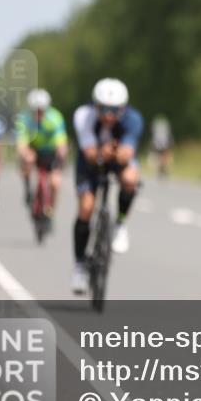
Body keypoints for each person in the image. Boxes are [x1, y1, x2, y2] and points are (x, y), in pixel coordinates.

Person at [71, 78, 143, 294]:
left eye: (115, 110)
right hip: (90, 163)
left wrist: (120, 154)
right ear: (95, 105)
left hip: (117, 161)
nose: (109, 115)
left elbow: (127, 152)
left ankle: (120, 224)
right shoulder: (83, 116)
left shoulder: (133, 119)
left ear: (123, 108)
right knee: (85, 208)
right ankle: (80, 266)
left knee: (130, 180)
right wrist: (105, 153)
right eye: (104, 109)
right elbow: (91, 155)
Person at [15, 89, 69, 216]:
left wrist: (62, 152)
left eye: (42, 111)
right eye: (35, 111)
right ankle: (28, 189)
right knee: (26, 161)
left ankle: (51, 209)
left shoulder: (55, 118)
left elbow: (61, 142)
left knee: (55, 183)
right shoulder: (24, 119)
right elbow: (21, 143)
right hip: (33, 150)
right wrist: (26, 153)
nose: (39, 114)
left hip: (50, 152)